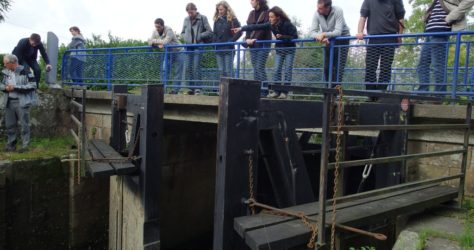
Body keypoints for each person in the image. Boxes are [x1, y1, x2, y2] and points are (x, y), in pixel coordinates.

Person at [234, 6, 298, 99]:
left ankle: (284, 92)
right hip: (279, 50)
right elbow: (256, 26)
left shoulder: (287, 24)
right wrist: (241, 28)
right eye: (269, 17)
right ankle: (276, 91)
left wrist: (283, 37)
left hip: (289, 50)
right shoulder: (270, 24)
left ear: (278, 17)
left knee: (287, 71)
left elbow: (295, 37)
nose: (270, 19)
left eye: (272, 17)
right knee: (276, 70)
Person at [417, 0, 474, 93]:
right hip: (429, 32)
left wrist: (450, 18)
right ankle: (422, 92)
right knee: (422, 65)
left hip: (440, 31)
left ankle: (439, 95)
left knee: (438, 65)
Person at [356, 0, 405, 94]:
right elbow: (363, 17)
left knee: (385, 67)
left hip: (389, 38)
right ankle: (371, 93)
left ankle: (381, 93)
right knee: (370, 66)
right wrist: (360, 31)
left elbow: (401, 19)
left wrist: (399, 36)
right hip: (374, 38)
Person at [1, 54, 37, 153]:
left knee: (24, 125)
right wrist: (5, 88)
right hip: (9, 102)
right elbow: (1, 85)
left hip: (22, 102)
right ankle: (11, 145)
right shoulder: (5, 73)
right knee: (10, 125)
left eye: (6, 63)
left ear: (12, 63)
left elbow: (33, 86)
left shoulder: (26, 71)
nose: (4, 65)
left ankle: (25, 146)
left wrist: (16, 87)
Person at [310, 0, 350, 85]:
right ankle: (328, 91)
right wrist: (320, 37)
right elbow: (312, 32)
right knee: (327, 67)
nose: (317, 10)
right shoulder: (317, 13)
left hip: (343, 39)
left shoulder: (338, 10)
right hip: (328, 40)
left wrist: (324, 34)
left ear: (327, 7)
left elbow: (338, 32)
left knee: (338, 68)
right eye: (317, 7)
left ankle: (335, 92)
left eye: (320, 8)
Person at [181, 2, 213, 95]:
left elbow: (210, 31)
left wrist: (199, 36)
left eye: (191, 12)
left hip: (198, 45)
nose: (190, 14)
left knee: (196, 66)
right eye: (188, 13)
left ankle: (198, 88)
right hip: (188, 46)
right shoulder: (186, 19)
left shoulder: (203, 18)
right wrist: (185, 37)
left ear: (195, 10)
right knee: (188, 67)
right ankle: (190, 88)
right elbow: (182, 32)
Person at [149, 18, 185, 94]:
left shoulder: (169, 30)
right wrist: (158, 42)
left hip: (179, 51)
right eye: (156, 27)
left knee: (178, 71)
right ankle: (163, 89)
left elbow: (165, 42)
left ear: (163, 26)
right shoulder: (155, 31)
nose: (157, 29)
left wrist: (155, 42)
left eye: (158, 27)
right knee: (164, 69)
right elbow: (149, 41)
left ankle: (175, 91)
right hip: (168, 52)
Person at [245, 0, 272, 85]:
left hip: (263, 45)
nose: (250, 2)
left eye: (252, 0)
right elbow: (248, 28)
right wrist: (247, 39)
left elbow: (265, 28)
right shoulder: (251, 13)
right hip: (253, 45)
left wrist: (255, 39)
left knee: (259, 67)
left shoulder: (268, 12)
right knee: (255, 69)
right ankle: (257, 90)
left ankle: (265, 90)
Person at [213, 1, 241, 78]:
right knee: (221, 71)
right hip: (218, 49)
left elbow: (239, 32)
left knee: (228, 71)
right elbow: (214, 33)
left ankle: (230, 89)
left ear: (226, 9)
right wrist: (215, 42)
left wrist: (231, 41)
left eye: (221, 9)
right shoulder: (216, 21)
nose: (220, 11)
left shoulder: (233, 20)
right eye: (218, 10)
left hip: (229, 49)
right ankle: (222, 89)